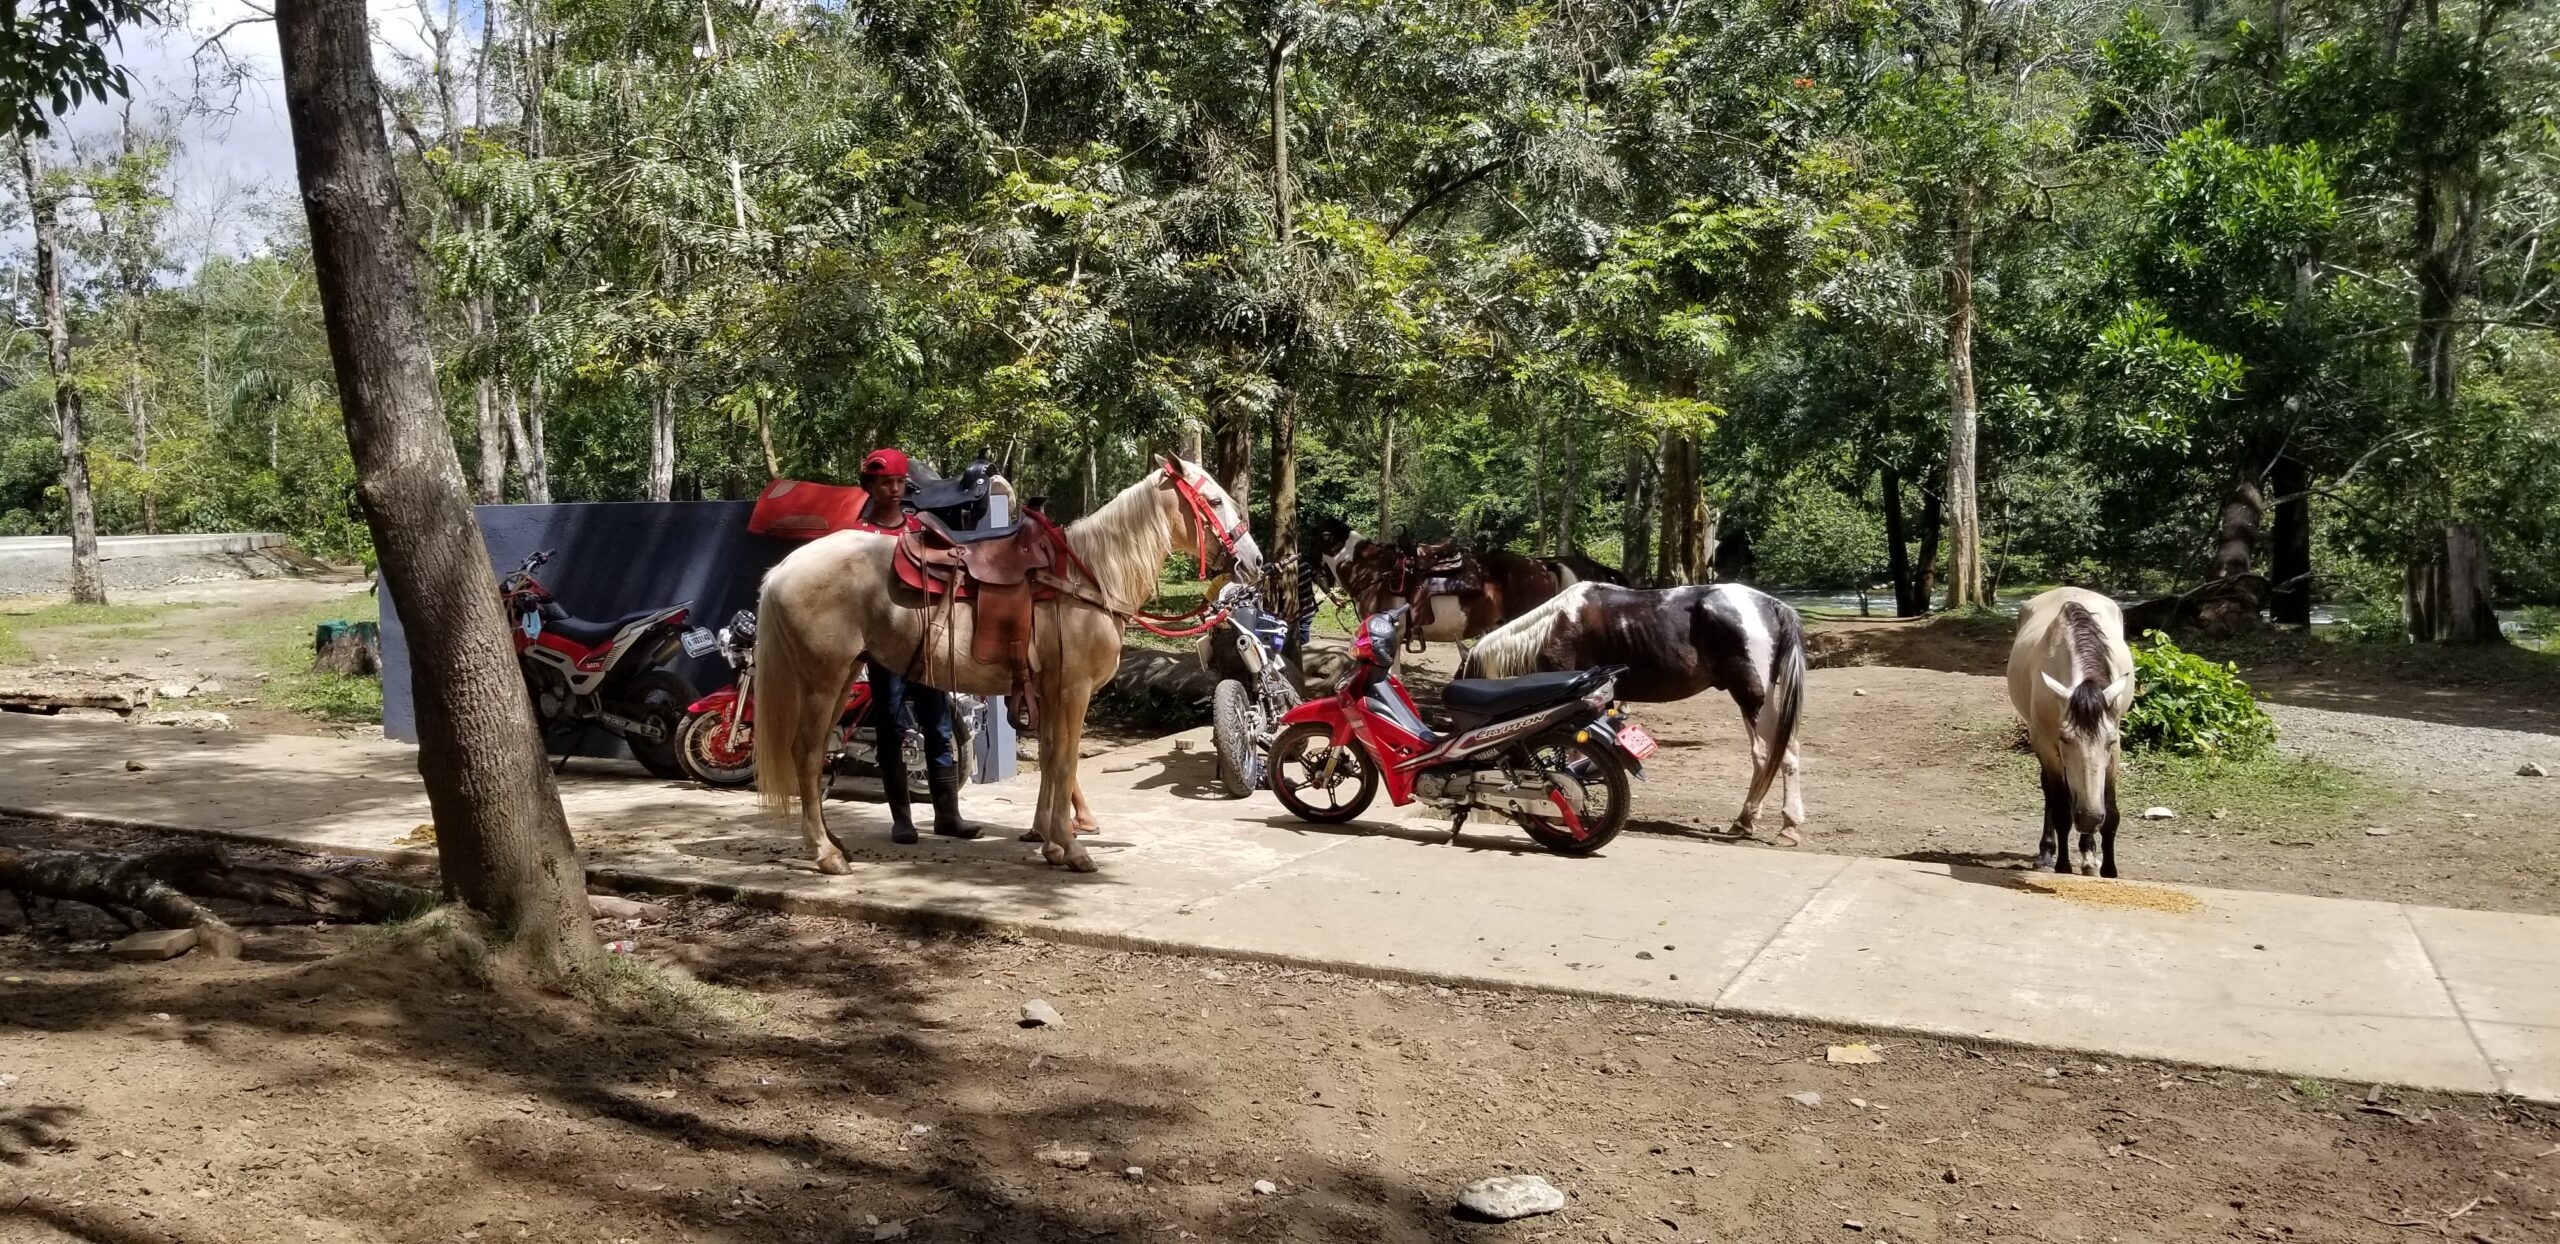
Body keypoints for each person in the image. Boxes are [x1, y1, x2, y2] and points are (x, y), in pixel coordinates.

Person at [849, 448, 979, 844]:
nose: (893, 489)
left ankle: (947, 816)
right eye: (885, 482)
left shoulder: (922, 529)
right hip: (886, 651)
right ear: (870, 486)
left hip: (928, 646)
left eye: (899, 482)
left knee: (939, 727)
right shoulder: (858, 537)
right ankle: (901, 819)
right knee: (890, 728)